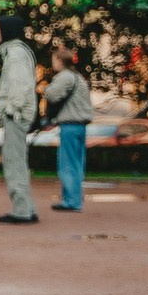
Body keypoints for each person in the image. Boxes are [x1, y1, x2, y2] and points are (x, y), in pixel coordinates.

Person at [0, 15, 38, 225]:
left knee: (14, 162)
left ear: (6, 30)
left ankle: (21, 210)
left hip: (16, 116)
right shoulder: (16, 52)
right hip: (18, 115)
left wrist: (10, 111)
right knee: (18, 161)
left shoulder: (16, 53)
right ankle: (27, 207)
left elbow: (20, 86)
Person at [44, 46, 93, 212]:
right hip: (81, 126)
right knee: (77, 165)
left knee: (67, 164)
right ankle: (73, 199)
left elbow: (52, 95)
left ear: (59, 60)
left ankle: (71, 201)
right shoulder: (79, 78)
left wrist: (45, 89)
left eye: (54, 61)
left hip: (69, 125)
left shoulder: (64, 77)